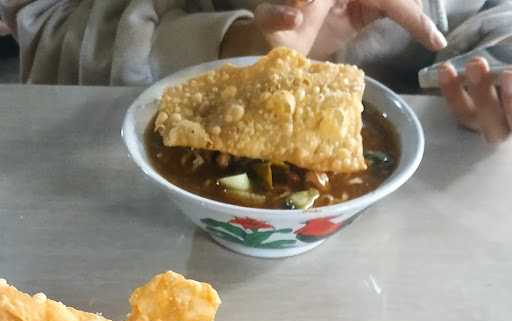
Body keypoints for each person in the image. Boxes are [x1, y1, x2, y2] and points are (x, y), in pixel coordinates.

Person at [0, 1, 511, 142]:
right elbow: (45, 23)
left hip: (435, 186)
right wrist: (232, 49)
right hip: (124, 186)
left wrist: (493, 76)